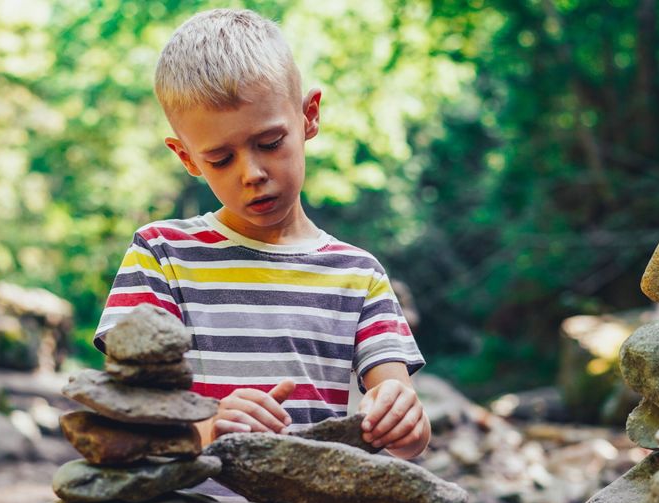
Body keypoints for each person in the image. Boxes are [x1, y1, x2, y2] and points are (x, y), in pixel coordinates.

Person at [93, 9, 429, 459]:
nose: (251, 173)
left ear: (309, 116)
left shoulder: (359, 275)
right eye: (220, 159)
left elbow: (409, 435)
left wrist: (401, 419)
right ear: (187, 158)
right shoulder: (160, 255)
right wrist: (208, 426)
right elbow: (124, 414)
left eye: (270, 143)